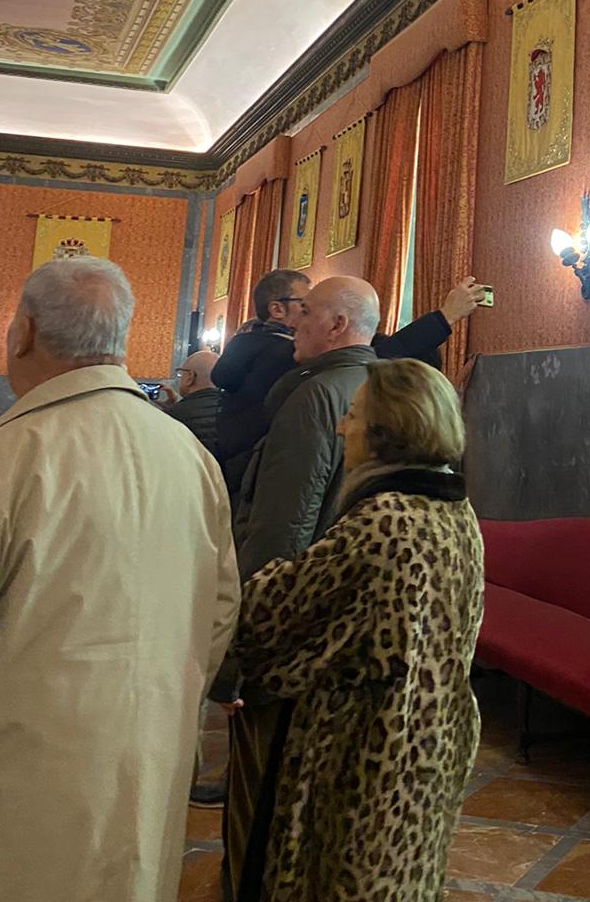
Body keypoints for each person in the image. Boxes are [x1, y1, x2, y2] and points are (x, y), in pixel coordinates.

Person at [0, 258, 239, 902]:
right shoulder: (192, 458)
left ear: (24, 333)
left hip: (8, 795)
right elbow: (221, 611)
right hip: (148, 771)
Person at [234, 359, 484, 902]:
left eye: (353, 414)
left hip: (366, 758)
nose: (341, 426)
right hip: (430, 742)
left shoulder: (383, 521)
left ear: (385, 432)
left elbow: (268, 618)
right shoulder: (455, 510)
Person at [222, 274, 381, 897]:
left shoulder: (316, 396)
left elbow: (280, 531)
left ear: (337, 325)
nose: (294, 323)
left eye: (306, 312)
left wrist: (240, 656)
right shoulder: (386, 387)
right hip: (346, 632)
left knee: (260, 798)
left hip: (293, 634)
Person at [214, 271, 485, 496]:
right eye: (304, 306)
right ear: (276, 309)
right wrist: (444, 317)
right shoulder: (280, 354)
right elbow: (369, 360)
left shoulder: (254, 348)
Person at [213, 268, 311, 494]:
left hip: (230, 461)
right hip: (263, 468)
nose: (309, 312)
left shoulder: (242, 344)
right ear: (277, 309)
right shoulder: (287, 356)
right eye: (304, 305)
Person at [165, 347, 223, 454]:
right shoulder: (234, 411)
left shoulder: (173, 416)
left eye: (181, 374)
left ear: (190, 377)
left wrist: (168, 410)